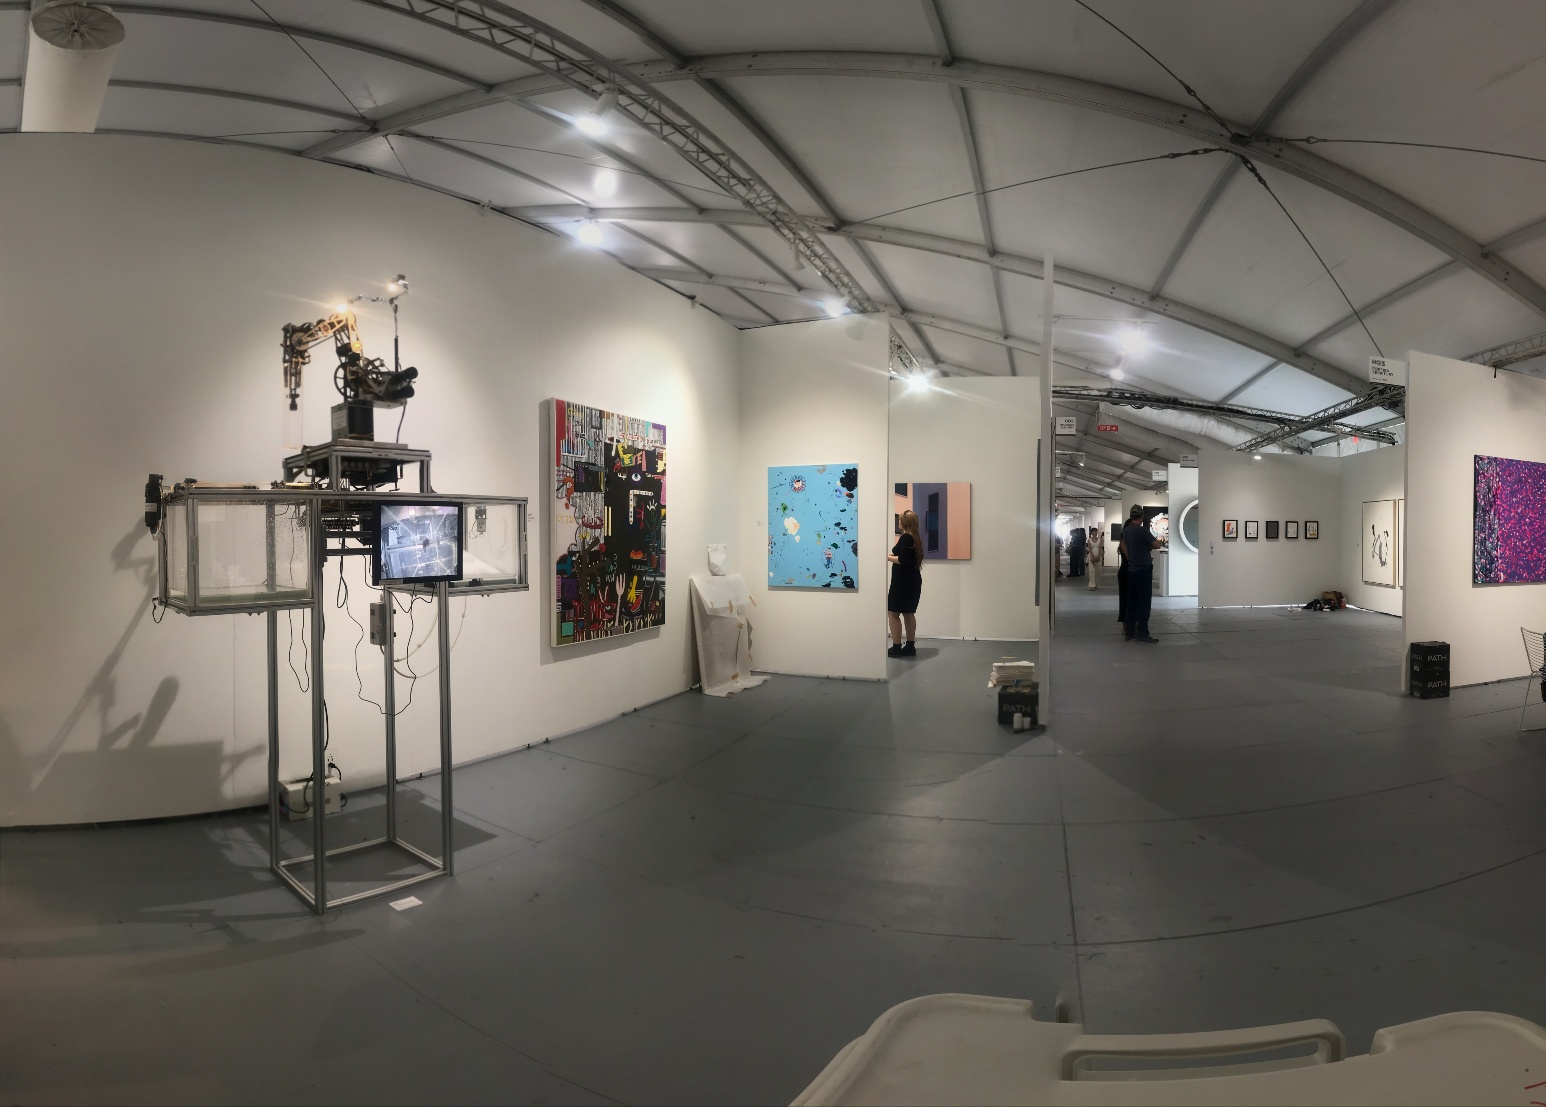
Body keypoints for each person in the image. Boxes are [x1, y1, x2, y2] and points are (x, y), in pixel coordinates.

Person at [1120, 504, 1166, 644]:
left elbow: (1127, 550)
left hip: (1131, 570)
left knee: (1131, 603)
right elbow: (1157, 545)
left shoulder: (1126, 531)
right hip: (1143, 570)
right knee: (1144, 603)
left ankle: (1129, 633)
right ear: (1142, 516)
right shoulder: (1142, 531)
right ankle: (1142, 633)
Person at [887, 509, 924, 658]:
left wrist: (887, 557)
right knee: (909, 613)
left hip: (902, 582)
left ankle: (896, 647)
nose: (898, 521)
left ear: (905, 522)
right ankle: (909, 646)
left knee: (893, 613)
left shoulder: (906, 538)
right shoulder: (915, 539)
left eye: (900, 519)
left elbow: (903, 560)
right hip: (912, 581)